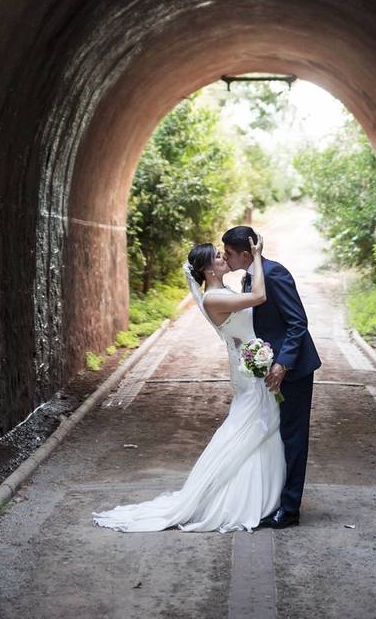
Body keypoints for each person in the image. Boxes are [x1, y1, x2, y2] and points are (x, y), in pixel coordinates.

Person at [92, 235, 286, 532]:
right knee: (251, 427)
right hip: (250, 373)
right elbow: (259, 296)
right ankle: (241, 500)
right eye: (218, 258)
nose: (223, 258)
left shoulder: (223, 290)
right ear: (209, 271)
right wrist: (257, 257)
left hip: (250, 367)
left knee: (258, 427)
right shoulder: (214, 297)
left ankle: (261, 496)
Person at [222, 225, 321, 530]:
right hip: (270, 369)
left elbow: (297, 323)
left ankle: (290, 510)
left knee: (293, 438)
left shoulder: (274, 274)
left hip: (293, 371)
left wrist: (282, 365)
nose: (224, 259)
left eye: (228, 254)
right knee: (275, 436)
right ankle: (275, 499)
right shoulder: (251, 277)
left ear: (244, 253)